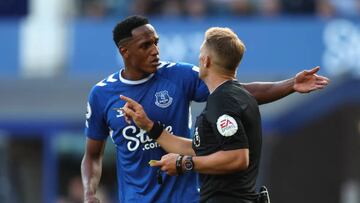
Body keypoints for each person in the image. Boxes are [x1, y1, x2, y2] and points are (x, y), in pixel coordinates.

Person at [81, 15, 329, 203]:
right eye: (146, 45)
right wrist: (89, 192)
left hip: (187, 197)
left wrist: (290, 85)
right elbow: (93, 155)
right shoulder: (102, 95)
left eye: (156, 43)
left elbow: (236, 92)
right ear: (124, 51)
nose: (155, 51)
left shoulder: (178, 75)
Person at [120, 26, 264, 203]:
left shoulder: (222, 100)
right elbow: (199, 149)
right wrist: (149, 126)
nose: (198, 58)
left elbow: (237, 157)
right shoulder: (238, 96)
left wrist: (184, 163)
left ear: (206, 61)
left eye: (201, 53)